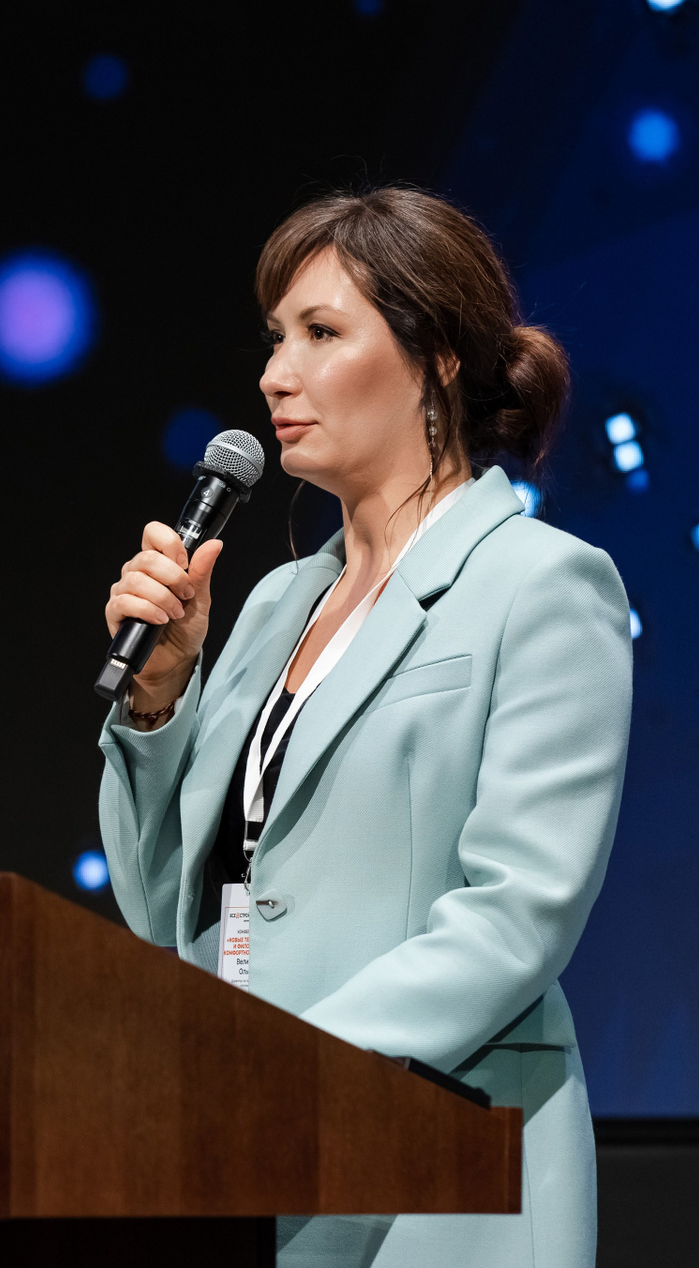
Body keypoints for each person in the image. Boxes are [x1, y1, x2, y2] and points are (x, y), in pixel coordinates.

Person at [96, 186, 632, 1268]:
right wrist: (158, 698)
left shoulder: (541, 583)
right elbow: (167, 910)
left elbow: (518, 913)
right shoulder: (273, 603)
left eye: (321, 333)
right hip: (252, 1165)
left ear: (436, 356)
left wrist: (290, 1069)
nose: (274, 374)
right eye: (275, 338)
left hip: (440, 1162)